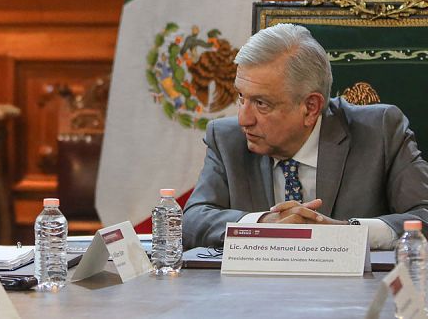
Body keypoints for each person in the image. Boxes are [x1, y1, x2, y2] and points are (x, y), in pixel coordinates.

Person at [183, 23, 428, 250]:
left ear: (310, 107)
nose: (243, 119)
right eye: (241, 97)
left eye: (261, 103)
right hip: (254, 292)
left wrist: (346, 232)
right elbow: (191, 221)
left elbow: (423, 215)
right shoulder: (227, 139)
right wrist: (262, 224)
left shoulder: (380, 132)